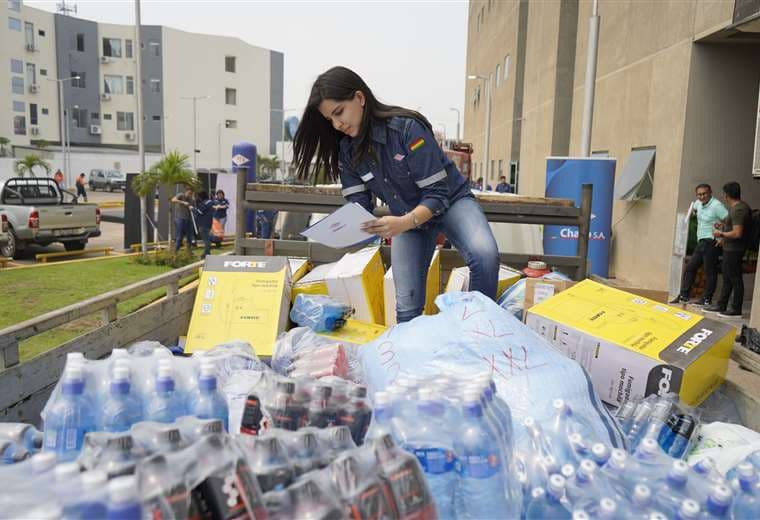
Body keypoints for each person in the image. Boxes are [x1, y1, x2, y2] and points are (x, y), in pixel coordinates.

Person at [293, 66, 500, 323]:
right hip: (405, 217)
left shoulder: (406, 129)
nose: (337, 124)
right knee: (406, 307)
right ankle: (411, 357)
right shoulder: (347, 153)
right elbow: (359, 205)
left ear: (359, 98)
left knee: (485, 254)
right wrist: (345, 230)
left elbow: (437, 193)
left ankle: (482, 329)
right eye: (330, 120)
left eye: (339, 113)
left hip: (450, 202)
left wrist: (403, 223)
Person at [671, 183, 727, 306]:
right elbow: (694, 208)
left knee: (710, 272)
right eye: (699, 194)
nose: (702, 196)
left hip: (711, 241)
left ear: (710, 193)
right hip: (701, 241)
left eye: (704, 194)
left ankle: (706, 299)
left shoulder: (717, 206)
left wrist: (723, 235)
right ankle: (684, 296)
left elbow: (730, 220)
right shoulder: (698, 203)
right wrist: (693, 212)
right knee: (690, 267)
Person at [705, 182, 752, 318]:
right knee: (727, 277)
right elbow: (734, 225)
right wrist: (724, 224)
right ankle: (722, 305)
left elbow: (737, 233)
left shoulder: (739, 209)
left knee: (735, 278)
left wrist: (721, 234)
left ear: (726, 195)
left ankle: (736, 309)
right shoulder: (736, 208)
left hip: (735, 250)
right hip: (729, 248)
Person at [171, 187, 194, 253]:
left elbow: (192, 208)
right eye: (189, 193)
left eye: (191, 194)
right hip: (180, 219)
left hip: (188, 220)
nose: (190, 195)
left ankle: (189, 252)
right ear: (186, 192)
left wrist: (191, 207)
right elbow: (173, 200)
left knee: (189, 237)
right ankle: (175, 252)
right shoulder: (181, 195)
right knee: (179, 237)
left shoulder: (191, 200)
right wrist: (183, 202)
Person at [193, 191, 216, 258]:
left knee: (206, 240)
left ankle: (206, 254)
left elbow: (199, 212)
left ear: (200, 197)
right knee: (207, 239)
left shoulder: (203, 204)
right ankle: (207, 253)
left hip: (203, 223)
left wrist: (192, 209)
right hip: (209, 223)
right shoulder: (211, 202)